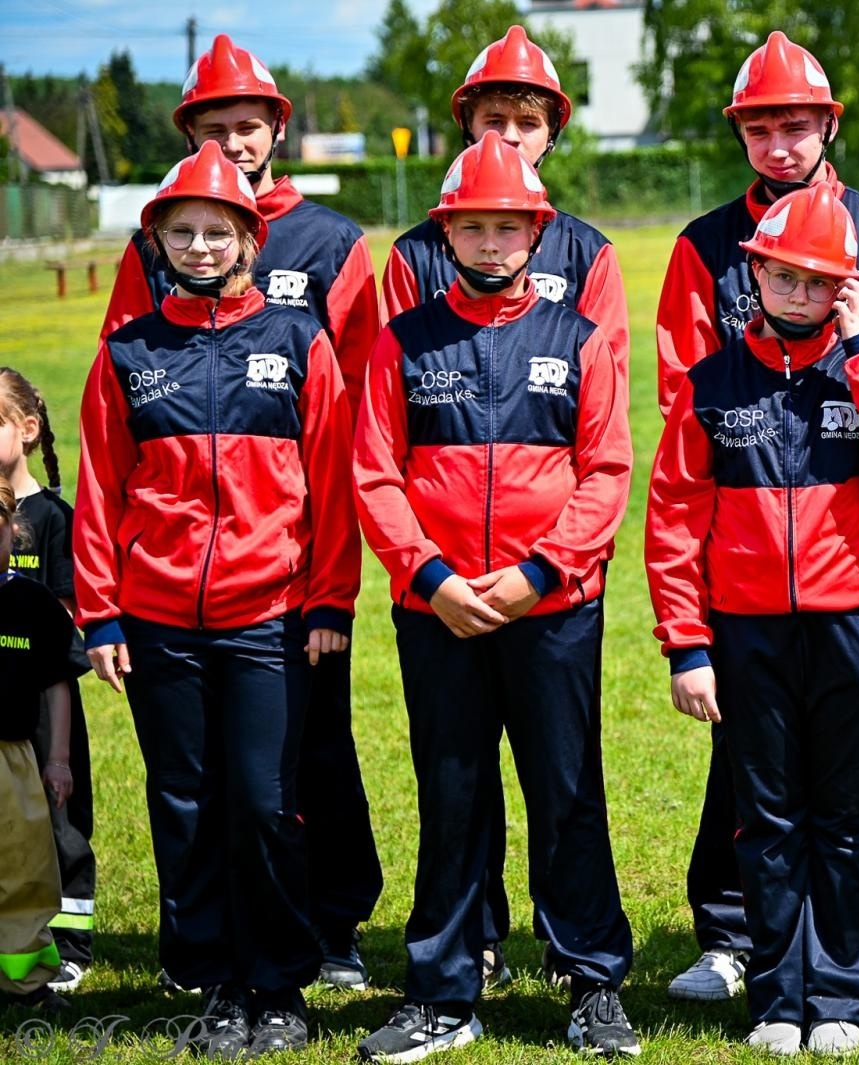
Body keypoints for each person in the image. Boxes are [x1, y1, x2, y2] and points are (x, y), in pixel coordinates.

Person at [654, 28, 859, 1001]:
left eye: (797, 125)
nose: (780, 145)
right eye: (761, 128)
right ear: (741, 135)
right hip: (745, 547)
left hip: (858, 540)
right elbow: (684, 394)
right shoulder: (703, 246)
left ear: (828, 125)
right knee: (749, 741)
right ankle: (732, 932)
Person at [99, 33, 383, 991]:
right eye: (214, 125)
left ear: (275, 129)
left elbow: (355, 408)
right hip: (170, 584)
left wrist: (331, 583)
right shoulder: (155, 249)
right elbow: (122, 418)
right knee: (199, 782)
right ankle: (214, 955)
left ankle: (330, 925)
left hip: (290, 571)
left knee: (308, 760)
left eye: (247, 124)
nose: (234, 139)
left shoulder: (334, 242)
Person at [353, 131, 638, 1061]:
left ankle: (592, 981)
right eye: (470, 227)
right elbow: (375, 472)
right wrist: (430, 577)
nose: (489, 243)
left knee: (566, 793)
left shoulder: (579, 337)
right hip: (436, 612)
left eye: (506, 227)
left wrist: (538, 573)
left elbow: (605, 471)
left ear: (534, 232)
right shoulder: (402, 340)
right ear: (446, 236)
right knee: (452, 794)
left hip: (551, 608)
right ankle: (443, 988)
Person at [0, 368, 95, 992]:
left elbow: (65, 619)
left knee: (59, 824)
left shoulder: (53, 517)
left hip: (43, 694)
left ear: (28, 429)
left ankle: (71, 942)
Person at [0, 472, 80, 1015]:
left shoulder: (31, 601)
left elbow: (57, 683)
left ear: (12, 530)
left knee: (23, 871)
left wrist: (57, 760)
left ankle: (24, 983)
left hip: (15, 758)